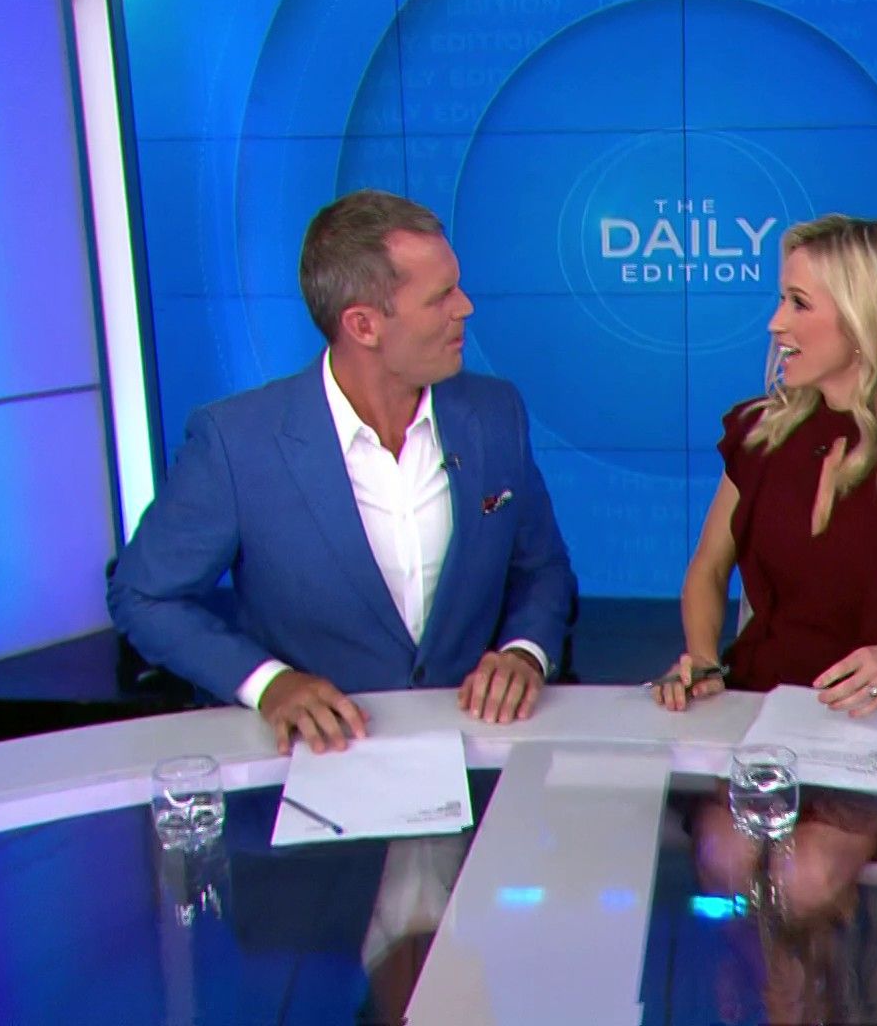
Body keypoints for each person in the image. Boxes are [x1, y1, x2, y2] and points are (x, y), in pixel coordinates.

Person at [109, 190, 575, 753]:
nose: (465, 307)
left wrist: (525, 652)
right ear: (363, 325)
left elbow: (542, 570)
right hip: (323, 759)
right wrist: (269, 684)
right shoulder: (237, 443)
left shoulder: (495, 414)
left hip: (477, 750)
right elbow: (143, 596)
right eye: (441, 297)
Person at [654, 215, 877, 715]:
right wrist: (704, 660)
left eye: (799, 303)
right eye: (782, 299)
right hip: (757, 707)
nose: (775, 323)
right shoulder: (759, 434)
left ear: (866, 321)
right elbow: (709, 569)